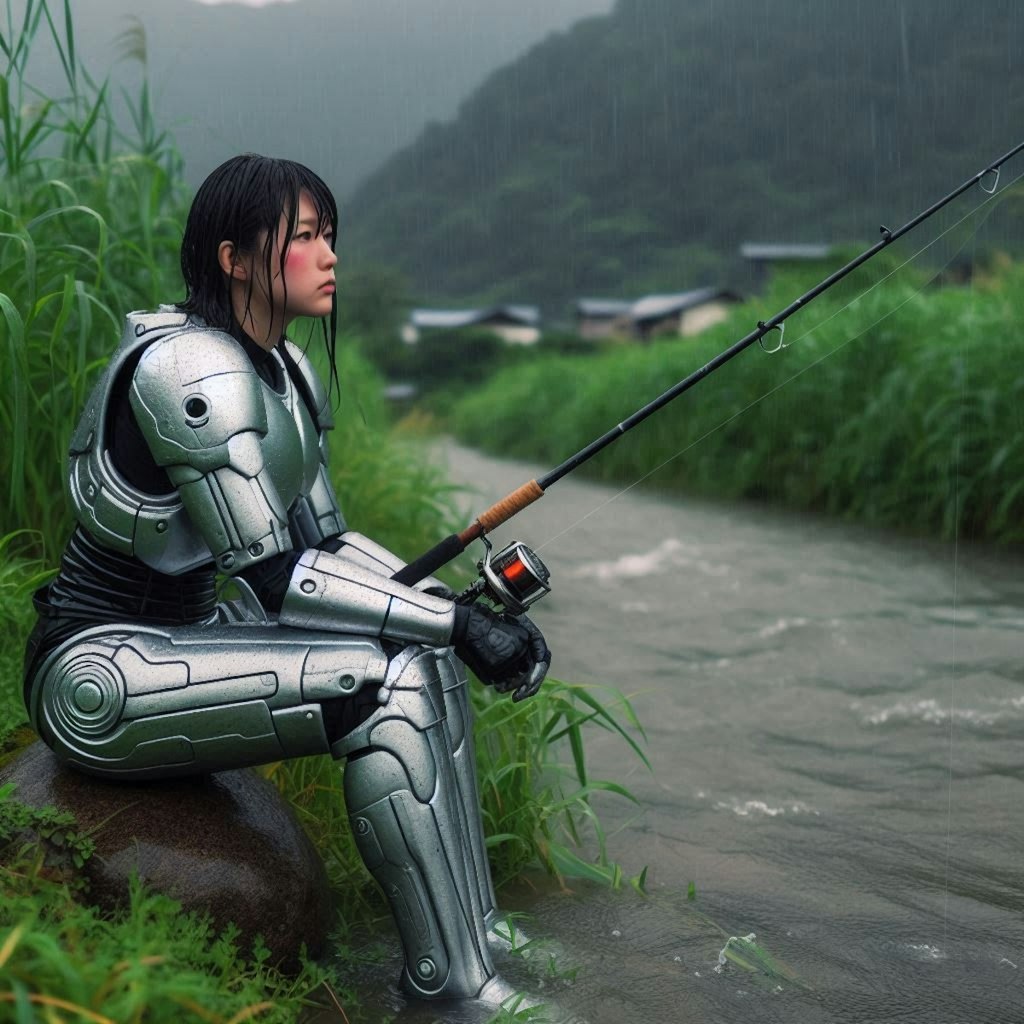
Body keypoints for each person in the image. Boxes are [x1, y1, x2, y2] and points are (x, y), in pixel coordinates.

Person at [21, 153, 551, 1004]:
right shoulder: (191, 370)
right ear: (235, 259)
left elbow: (327, 541)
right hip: (99, 668)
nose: (329, 255)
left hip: (190, 633)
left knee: (430, 661)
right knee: (387, 690)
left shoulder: (287, 371)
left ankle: (479, 936)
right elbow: (278, 579)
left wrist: (441, 613)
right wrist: (453, 621)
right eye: (304, 237)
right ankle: (454, 992)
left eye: (328, 235)